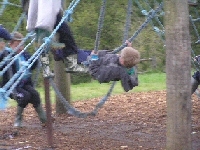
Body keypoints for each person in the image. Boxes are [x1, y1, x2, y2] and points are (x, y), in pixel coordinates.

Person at [0, 31, 47, 127]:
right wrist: (1, 51)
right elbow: (2, 65)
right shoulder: (7, 55)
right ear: (11, 45)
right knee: (24, 96)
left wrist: (39, 54)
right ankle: (18, 121)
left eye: (22, 45)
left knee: (35, 94)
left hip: (25, 84)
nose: (20, 48)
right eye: (17, 45)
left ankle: (44, 119)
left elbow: (33, 65)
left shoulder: (24, 55)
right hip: (12, 87)